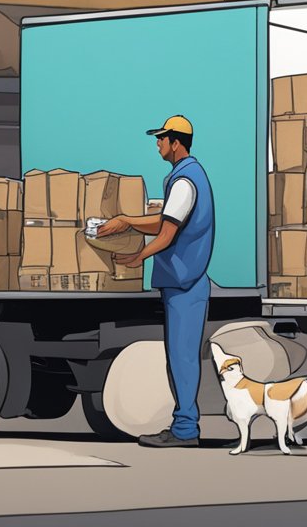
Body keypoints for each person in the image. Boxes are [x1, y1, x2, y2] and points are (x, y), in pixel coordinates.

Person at [96, 115, 215, 448]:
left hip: (184, 281)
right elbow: (166, 221)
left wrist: (138, 257)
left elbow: (167, 233)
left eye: (161, 138)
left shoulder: (185, 182)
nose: (158, 144)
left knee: (182, 357)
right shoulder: (185, 177)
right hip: (183, 280)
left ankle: (185, 430)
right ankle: (184, 426)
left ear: (176, 142)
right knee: (180, 356)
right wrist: (127, 223)